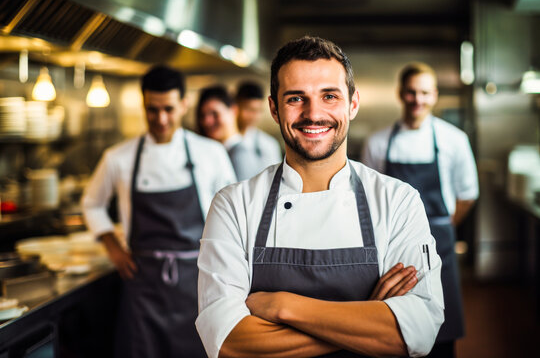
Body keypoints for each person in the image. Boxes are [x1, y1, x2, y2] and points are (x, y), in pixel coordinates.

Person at [196, 36, 444, 358]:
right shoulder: (233, 205)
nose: (314, 114)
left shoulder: (398, 201)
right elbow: (228, 340)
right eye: (296, 98)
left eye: (329, 96)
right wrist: (366, 315)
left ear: (352, 104)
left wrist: (283, 306)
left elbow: (418, 332)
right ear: (274, 108)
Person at [81, 66, 236, 358]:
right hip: (142, 287)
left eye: (169, 109)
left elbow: (232, 216)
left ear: (184, 104)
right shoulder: (119, 157)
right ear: (143, 106)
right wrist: (111, 245)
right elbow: (92, 203)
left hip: (198, 286)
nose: (161, 119)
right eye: (153, 110)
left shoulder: (210, 153)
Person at [362, 62, 479, 357]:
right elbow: (368, 197)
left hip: (440, 245)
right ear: (400, 94)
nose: (418, 99)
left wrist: (440, 229)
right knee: (395, 326)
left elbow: (467, 195)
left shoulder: (454, 140)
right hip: (392, 247)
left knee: (443, 331)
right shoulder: (377, 143)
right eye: (412, 92)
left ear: (435, 95)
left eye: (425, 92)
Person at [197, 85, 275, 181]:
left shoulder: (241, 153)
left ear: (233, 110)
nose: (207, 122)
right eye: (202, 116)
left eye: (215, 114)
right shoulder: (214, 151)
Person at [235, 81, 283, 174]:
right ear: (235, 106)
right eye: (249, 109)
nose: (254, 116)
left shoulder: (269, 144)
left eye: (258, 111)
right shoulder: (221, 140)